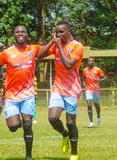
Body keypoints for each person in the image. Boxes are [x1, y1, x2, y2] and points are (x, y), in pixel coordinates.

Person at [0, 25, 41, 160]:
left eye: (23, 32)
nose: (20, 33)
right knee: (13, 127)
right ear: (14, 35)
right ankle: (17, 121)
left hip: (28, 94)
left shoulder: (33, 49)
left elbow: (48, 50)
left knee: (28, 125)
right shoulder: (7, 53)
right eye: (17, 32)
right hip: (11, 96)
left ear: (27, 34)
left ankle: (28, 156)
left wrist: (55, 40)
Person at [37, 20, 83, 160]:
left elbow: (69, 65)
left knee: (70, 122)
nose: (58, 34)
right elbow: (39, 55)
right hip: (58, 87)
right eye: (56, 32)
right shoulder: (55, 44)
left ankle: (74, 153)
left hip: (72, 89)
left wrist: (59, 47)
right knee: (52, 118)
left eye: (61, 32)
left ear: (69, 31)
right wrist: (52, 42)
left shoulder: (77, 46)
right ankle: (64, 135)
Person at [83, 58, 106, 128]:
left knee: (96, 104)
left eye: (91, 61)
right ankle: (91, 122)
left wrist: (98, 80)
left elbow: (104, 77)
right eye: (88, 61)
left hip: (96, 90)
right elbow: (84, 78)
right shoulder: (85, 70)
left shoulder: (97, 70)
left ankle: (98, 117)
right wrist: (84, 82)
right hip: (88, 90)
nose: (90, 62)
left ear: (94, 62)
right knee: (89, 103)